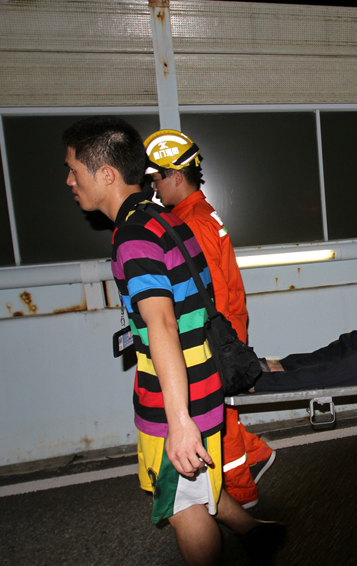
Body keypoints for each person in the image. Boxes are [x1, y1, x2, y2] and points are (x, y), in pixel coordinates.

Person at [63, 117, 283, 565]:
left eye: (74, 170)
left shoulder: (134, 236)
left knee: (183, 507)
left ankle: (251, 533)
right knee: (194, 485)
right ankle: (255, 534)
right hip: (193, 380)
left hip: (178, 394)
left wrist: (179, 420)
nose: (69, 181)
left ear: (105, 173)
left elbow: (162, 324)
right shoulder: (162, 219)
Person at [144, 129, 275, 510]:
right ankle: (257, 455)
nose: (155, 189)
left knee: (218, 421)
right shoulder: (197, 213)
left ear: (175, 176)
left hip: (214, 333)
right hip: (226, 327)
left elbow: (208, 295)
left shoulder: (194, 223)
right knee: (224, 410)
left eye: (156, 180)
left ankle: (243, 496)